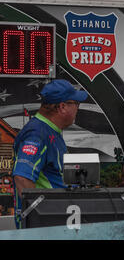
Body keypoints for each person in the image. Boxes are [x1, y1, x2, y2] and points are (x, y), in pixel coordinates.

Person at [12, 79, 88, 228]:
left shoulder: (50, 130)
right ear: (62, 106)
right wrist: (44, 217)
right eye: (76, 103)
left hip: (58, 222)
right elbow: (22, 178)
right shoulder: (37, 134)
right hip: (45, 229)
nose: (78, 108)